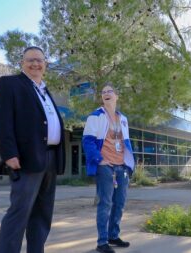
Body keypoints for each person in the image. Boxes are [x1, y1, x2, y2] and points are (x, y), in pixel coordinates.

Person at [0, 46, 66, 253]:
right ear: (22, 63)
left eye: (39, 60)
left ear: (45, 65)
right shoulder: (10, 84)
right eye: (30, 60)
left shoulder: (44, 90)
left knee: (42, 214)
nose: (35, 64)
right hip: (26, 158)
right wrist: (9, 153)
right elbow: (3, 121)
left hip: (51, 159)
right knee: (19, 213)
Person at [82, 84, 135, 253]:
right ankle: (102, 241)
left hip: (122, 167)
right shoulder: (96, 116)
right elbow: (88, 141)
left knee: (119, 203)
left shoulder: (123, 119)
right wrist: (99, 160)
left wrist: (129, 163)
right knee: (105, 203)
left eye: (109, 91)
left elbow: (126, 143)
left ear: (116, 95)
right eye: (103, 92)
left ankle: (113, 236)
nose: (106, 94)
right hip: (106, 166)